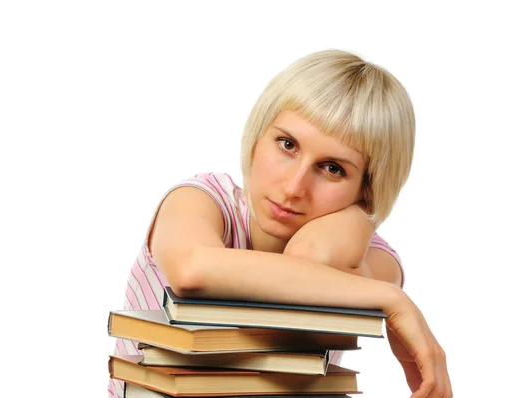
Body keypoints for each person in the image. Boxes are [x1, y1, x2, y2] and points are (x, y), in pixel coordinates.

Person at [108, 49, 452, 398]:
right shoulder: (203, 201)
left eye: (333, 168)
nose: (293, 187)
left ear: (367, 187)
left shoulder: (375, 258)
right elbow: (193, 270)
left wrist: (367, 210)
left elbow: (308, 261)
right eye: (287, 144)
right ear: (258, 137)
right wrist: (391, 300)